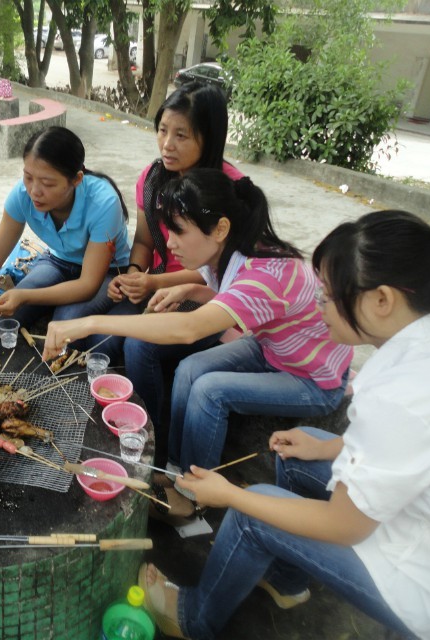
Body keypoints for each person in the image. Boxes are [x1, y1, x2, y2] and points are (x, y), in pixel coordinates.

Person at [137, 210, 430, 640]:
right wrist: (327, 449)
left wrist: (230, 494)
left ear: (382, 300)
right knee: (298, 456)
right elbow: (414, 449)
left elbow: (344, 525)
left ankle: (195, 618)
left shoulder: (402, 395)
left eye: (329, 294)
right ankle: (288, 581)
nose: (318, 303)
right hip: (423, 513)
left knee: (251, 513)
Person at [43, 169, 353, 517]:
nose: (170, 244)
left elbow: (189, 328)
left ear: (220, 229)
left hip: (314, 378)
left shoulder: (266, 274)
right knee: (190, 369)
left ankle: (192, 496)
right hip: (273, 349)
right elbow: (226, 293)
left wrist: (88, 322)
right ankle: (174, 471)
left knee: (209, 391)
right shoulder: (232, 251)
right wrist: (190, 288)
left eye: (178, 231)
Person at [93, 83, 244, 444]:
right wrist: (134, 275)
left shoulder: (230, 190)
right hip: (156, 286)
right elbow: (144, 242)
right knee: (102, 339)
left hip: (206, 299)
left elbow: (219, 271)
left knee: (138, 345)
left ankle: (152, 438)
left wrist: (155, 284)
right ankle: (110, 421)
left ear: (209, 137)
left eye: (181, 135)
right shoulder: (152, 179)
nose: (166, 144)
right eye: (162, 130)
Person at [0, 126, 131, 332]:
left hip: (107, 272)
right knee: (8, 319)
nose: (34, 191)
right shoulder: (22, 195)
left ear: (76, 179)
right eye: (28, 177)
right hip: (59, 261)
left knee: (65, 323)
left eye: (47, 184)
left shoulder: (104, 203)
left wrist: (24, 296)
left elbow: (87, 285)